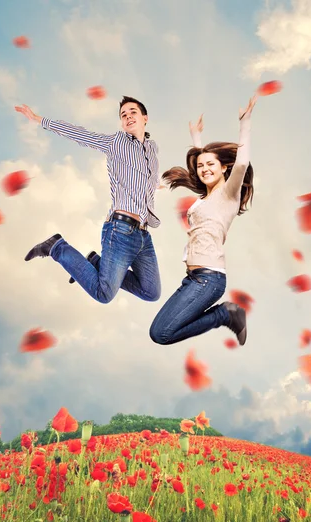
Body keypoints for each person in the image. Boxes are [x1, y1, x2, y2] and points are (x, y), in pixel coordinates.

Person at [15, 96, 161, 305]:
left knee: (151, 292)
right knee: (104, 294)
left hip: (143, 235)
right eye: (123, 115)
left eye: (133, 112)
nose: (128, 117)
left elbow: (148, 178)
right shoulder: (116, 143)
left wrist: (156, 184)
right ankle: (56, 247)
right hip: (120, 230)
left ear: (145, 118)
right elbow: (80, 134)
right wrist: (39, 119)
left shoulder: (153, 149)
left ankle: (94, 262)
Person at [149, 96, 256, 347]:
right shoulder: (204, 199)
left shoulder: (229, 194)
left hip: (210, 278)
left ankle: (225, 314)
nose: (205, 168)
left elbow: (242, 162)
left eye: (211, 165)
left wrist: (245, 123)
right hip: (193, 278)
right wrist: (196, 139)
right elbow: (202, 167)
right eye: (200, 166)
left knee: (162, 334)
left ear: (224, 168)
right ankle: (224, 314)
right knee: (158, 331)